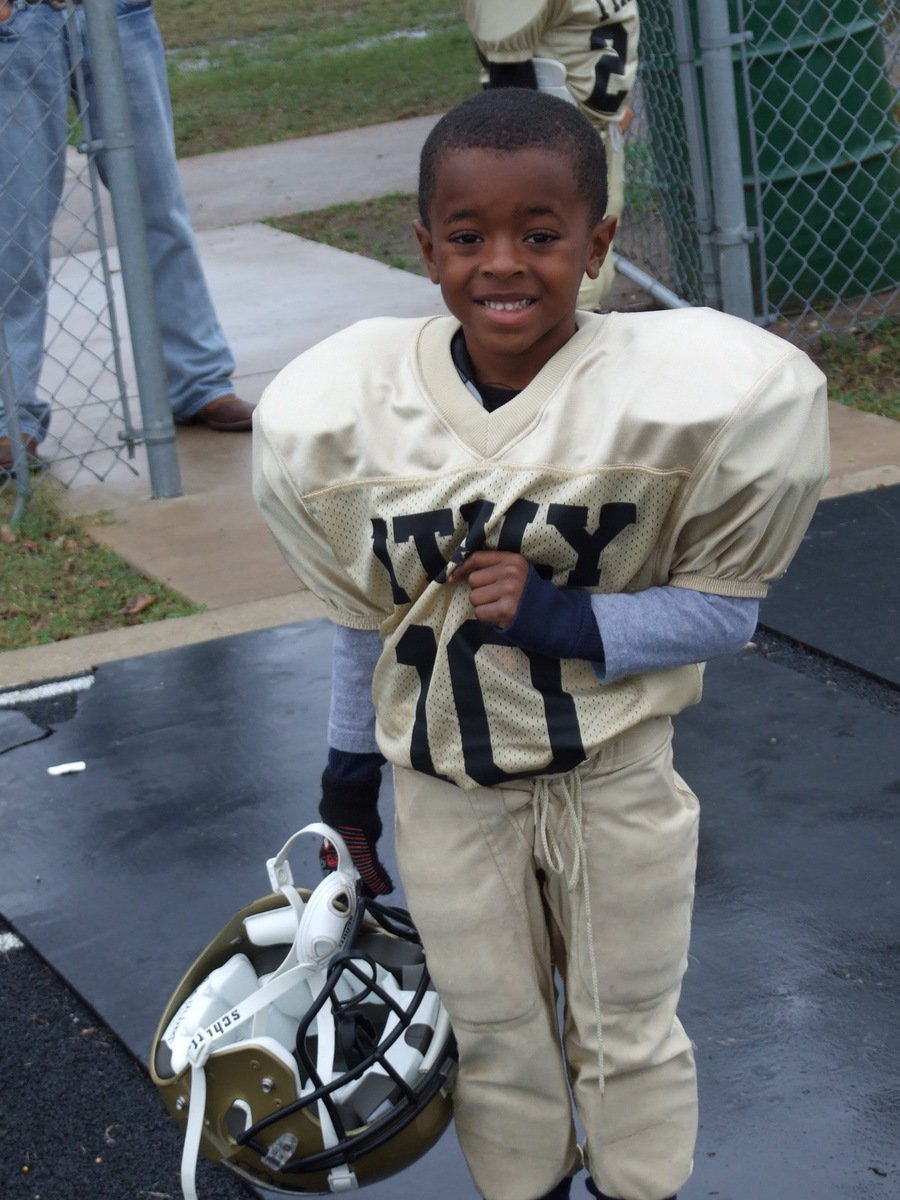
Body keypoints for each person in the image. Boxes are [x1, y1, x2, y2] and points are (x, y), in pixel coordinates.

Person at [253, 89, 829, 1200]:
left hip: (614, 781)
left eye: (540, 234)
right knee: (496, 1040)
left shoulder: (676, 398)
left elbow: (724, 612)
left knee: (629, 1032)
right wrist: (349, 779)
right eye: (468, 238)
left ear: (599, 244)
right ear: (425, 248)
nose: (503, 265)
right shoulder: (349, 412)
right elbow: (362, 620)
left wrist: (570, 620)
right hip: (448, 794)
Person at [0, 0, 253, 473]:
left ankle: (198, 384)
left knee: (159, 207)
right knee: (14, 231)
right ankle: (8, 415)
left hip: (114, 11)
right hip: (17, 22)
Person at [457, 0, 639, 312]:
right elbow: (511, 78)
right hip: (553, 144)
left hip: (589, 133)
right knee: (562, 283)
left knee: (591, 271)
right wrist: (531, 164)